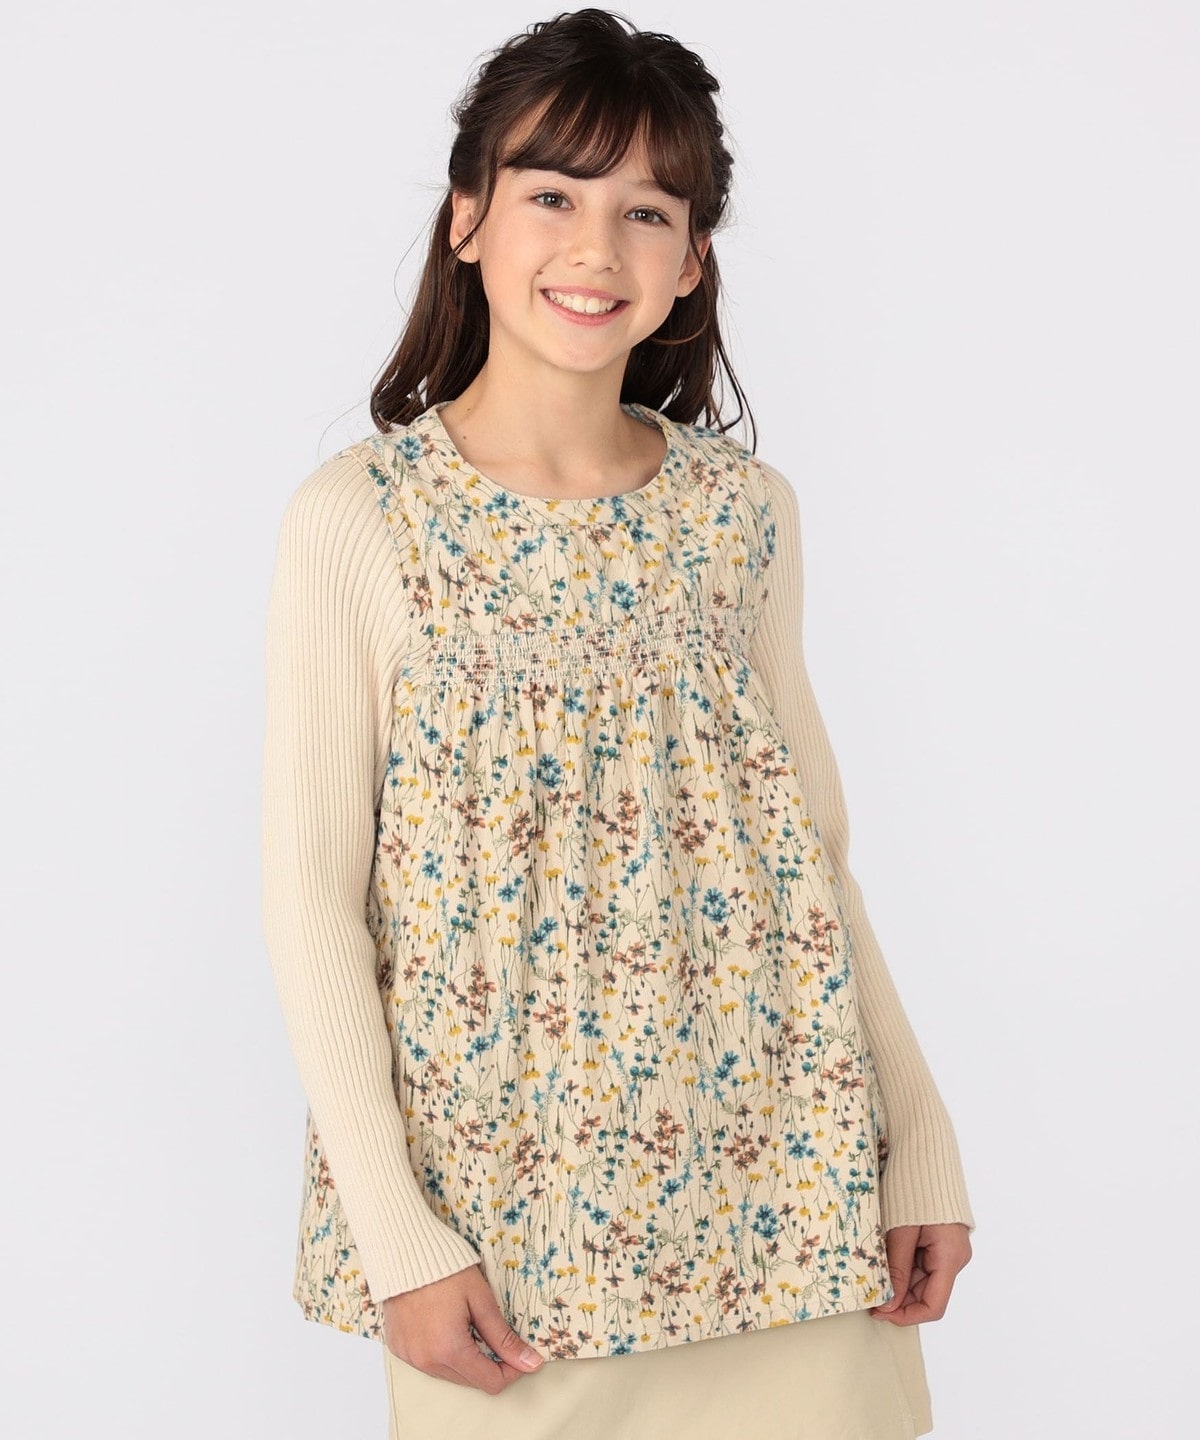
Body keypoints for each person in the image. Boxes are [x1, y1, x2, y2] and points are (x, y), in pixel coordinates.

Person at [260, 9, 974, 1438]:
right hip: (509, 1235)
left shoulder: (742, 517)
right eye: (552, 195)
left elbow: (815, 864)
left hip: (791, 1201)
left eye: (648, 210)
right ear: (468, 216)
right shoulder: (364, 521)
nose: (595, 249)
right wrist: (400, 1239)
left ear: (692, 257)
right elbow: (310, 902)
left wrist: (921, 1143)